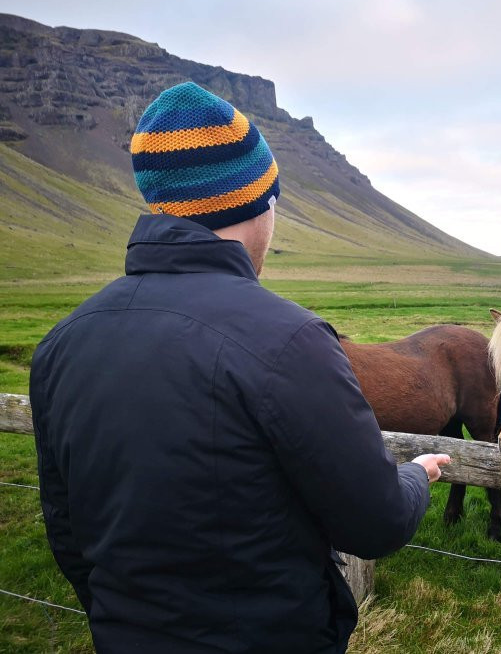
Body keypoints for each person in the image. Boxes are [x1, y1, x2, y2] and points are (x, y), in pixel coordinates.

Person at [29, 82, 450, 653]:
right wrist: (415, 476)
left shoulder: (62, 344)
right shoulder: (289, 339)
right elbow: (374, 523)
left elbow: (69, 534)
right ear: (258, 202)